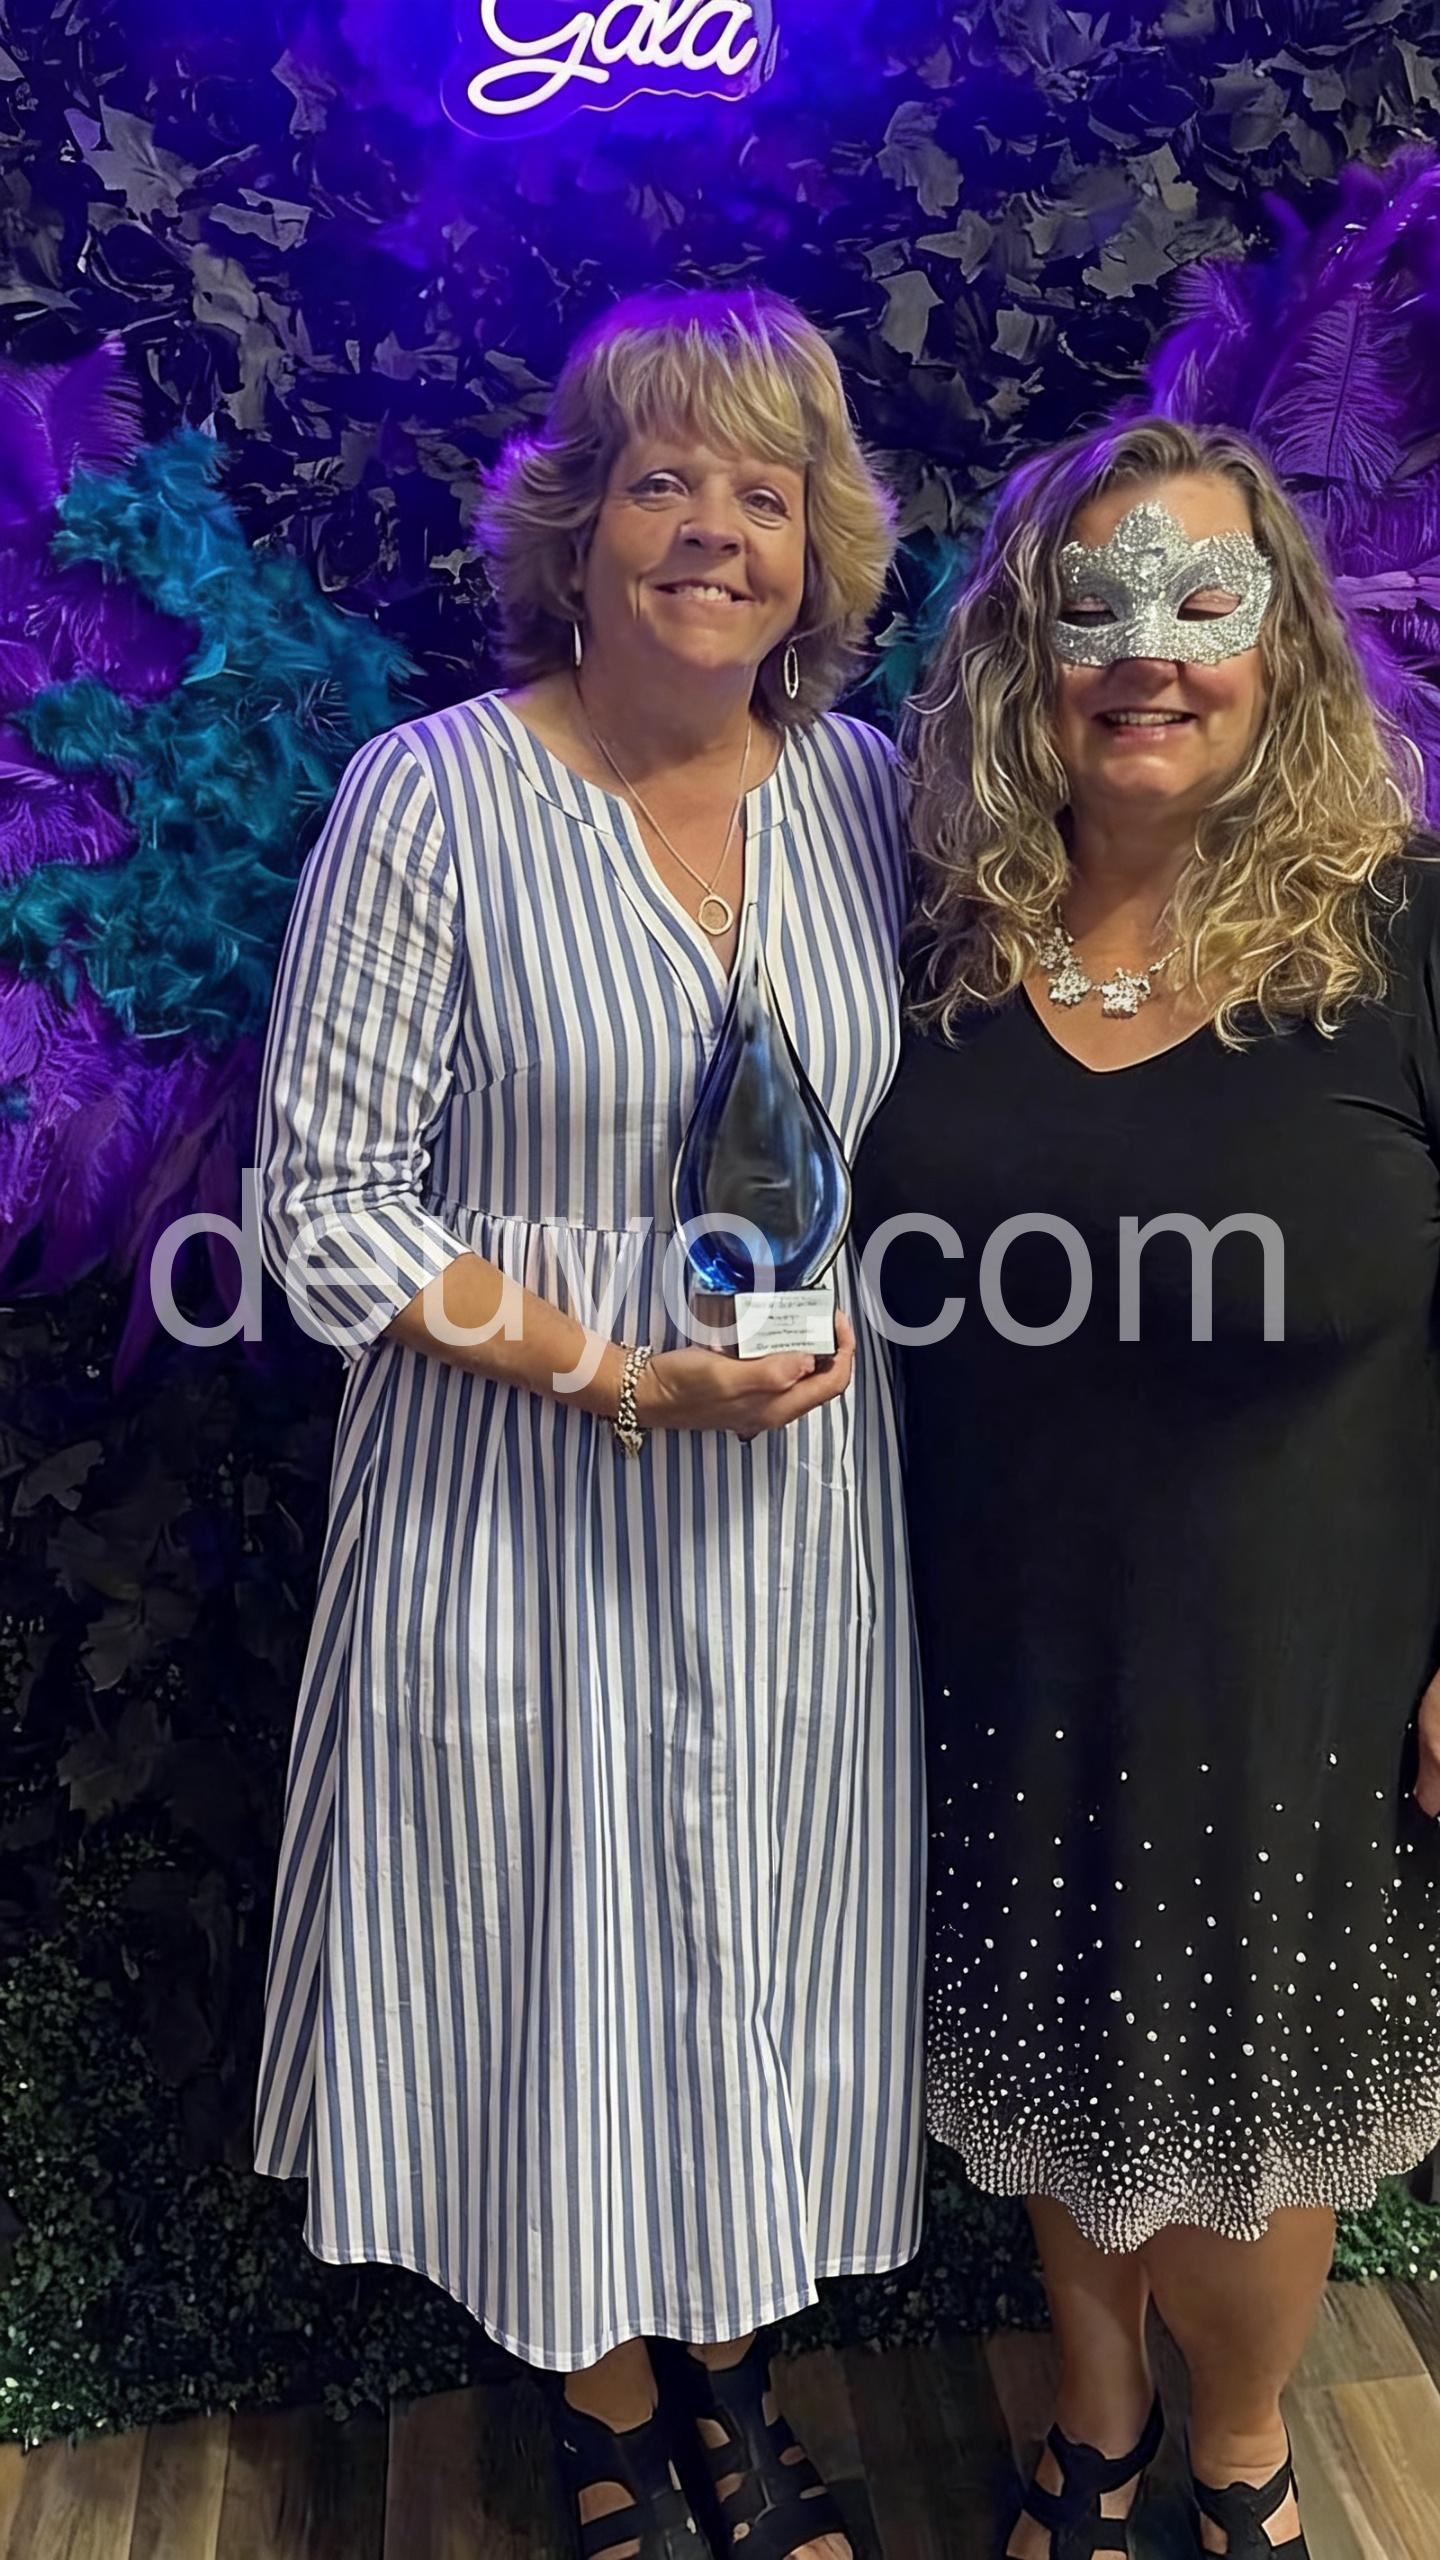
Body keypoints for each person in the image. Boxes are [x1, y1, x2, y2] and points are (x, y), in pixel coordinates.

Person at [250, 286, 924, 2560]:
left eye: (764, 491)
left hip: (798, 1511)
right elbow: (324, 1209)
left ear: (820, 548)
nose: (713, 530)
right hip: (523, 1495)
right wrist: (619, 1370)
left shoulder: (870, 791)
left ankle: (731, 2369)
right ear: (577, 523)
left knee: (749, 1936)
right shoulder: (431, 799)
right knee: (549, 1953)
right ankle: (609, 2403)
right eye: (662, 480)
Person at [853, 414, 1440, 2560]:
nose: (1150, 652)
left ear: (1282, 641)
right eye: (1092, 605)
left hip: (1299, 1666)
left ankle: (1242, 2448)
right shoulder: (934, 937)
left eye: (1205, 599)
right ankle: (1092, 2419)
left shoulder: (1401, 931)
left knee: (1245, 2090)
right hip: (996, 1636)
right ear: (1026, 652)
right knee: (1050, 2038)